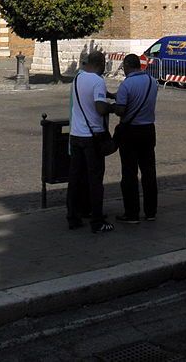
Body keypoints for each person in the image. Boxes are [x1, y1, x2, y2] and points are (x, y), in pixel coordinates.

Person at [67, 49, 115, 234]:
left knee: (75, 178)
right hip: (92, 137)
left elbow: (86, 98)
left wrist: (107, 94)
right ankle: (97, 220)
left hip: (76, 135)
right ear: (101, 64)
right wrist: (113, 107)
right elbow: (100, 108)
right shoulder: (98, 81)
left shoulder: (77, 78)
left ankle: (73, 217)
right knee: (95, 179)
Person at [113, 53, 158, 224]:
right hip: (148, 130)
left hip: (130, 132)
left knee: (129, 172)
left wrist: (112, 106)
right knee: (149, 172)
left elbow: (121, 110)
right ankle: (151, 211)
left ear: (126, 66)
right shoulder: (151, 82)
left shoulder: (126, 84)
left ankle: (131, 213)